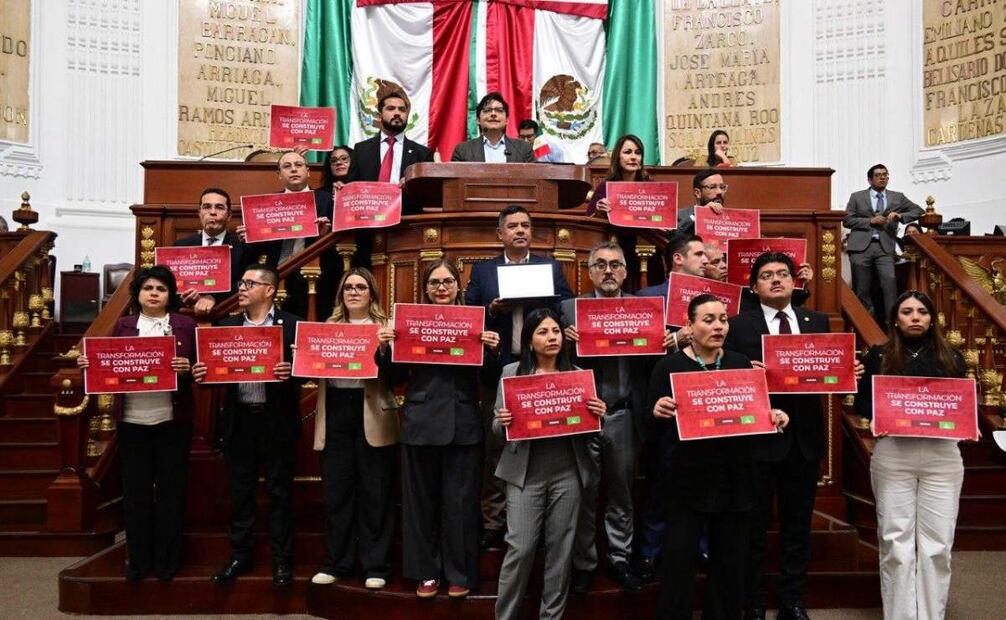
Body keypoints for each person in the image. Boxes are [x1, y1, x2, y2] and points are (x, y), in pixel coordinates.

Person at [649, 294, 789, 619]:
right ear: (689, 324)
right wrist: (656, 411)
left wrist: (775, 416)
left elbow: (756, 415)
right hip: (686, 477)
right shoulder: (668, 366)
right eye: (708, 319)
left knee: (730, 563)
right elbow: (649, 425)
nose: (718, 326)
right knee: (679, 561)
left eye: (723, 319)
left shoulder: (741, 363)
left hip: (734, 477)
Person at [725, 252, 850, 620]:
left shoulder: (817, 322)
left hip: (804, 440)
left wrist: (846, 369)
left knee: (798, 527)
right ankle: (755, 601)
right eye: (767, 275)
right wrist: (746, 372)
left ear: (796, 281)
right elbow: (727, 375)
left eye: (783, 274)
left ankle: (792, 601)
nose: (776, 280)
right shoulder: (738, 325)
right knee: (754, 528)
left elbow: (828, 374)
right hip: (757, 439)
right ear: (754, 287)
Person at [384, 259, 501, 599]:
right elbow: (395, 380)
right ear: (425, 289)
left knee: (460, 505)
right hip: (420, 425)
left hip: (463, 425)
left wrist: (491, 351)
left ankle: (459, 574)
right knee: (421, 505)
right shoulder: (411, 323)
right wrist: (385, 348)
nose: (441, 288)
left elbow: (489, 380)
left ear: (457, 286)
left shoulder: (474, 322)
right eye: (434, 282)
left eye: (447, 281)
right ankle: (426, 573)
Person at [560, 241, 672, 594]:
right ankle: (584, 563)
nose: (609, 271)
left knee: (621, 494)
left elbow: (653, 368)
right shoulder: (568, 310)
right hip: (582, 416)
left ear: (625, 271)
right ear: (590, 271)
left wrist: (664, 344)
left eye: (616, 265)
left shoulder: (646, 310)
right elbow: (549, 359)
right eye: (601, 264)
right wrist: (564, 341)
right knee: (584, 493)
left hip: (625, 414)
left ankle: (620, 559)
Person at [77, 266, 196, 582]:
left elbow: (203, 367)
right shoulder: (123, 325)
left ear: (170, 294)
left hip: (173, 420)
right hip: (131, 421)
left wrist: (189, 365)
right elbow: (107, 363)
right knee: (136, 494)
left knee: (172, 493)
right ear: (138, 294)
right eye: (148, 288)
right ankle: (139, 561)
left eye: (161, 288)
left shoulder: (184, 325)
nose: (154, 293)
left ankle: (168, 561)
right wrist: (91, 363)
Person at [464, 204, 574, 548]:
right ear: (501, 234)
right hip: (500, 368)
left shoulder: (549, 266)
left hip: (543, 367)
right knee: (497, 444)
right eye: (512, 226)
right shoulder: (484, 272)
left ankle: (538, 521)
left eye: (526, 225)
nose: (520, 231)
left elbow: (566, 307)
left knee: (542, 440)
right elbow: (468, 316)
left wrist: (548, 305)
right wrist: (490, 310)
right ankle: (493, 521)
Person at [854, 290, 968, 620]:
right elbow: (863, 406)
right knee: (895, 544)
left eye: (921, 311)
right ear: (895, 319)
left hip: (942, 457)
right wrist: (859, 382)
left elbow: (962, 406)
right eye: (907, 311)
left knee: (937, 547)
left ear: (932, 319)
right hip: (894, 455)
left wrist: (966, 423)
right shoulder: (877, 356)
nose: (915, 317)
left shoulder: (953, 358)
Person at [493, 307, 606, 620]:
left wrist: (599, 414)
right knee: (521, 548)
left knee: (560, 552)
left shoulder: (578, 376)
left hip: (568, 473)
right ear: (529, 341)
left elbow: (592, 430)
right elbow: (495, 431)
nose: (552, 337)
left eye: (555, 331)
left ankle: (551, 616)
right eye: (543, 332)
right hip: (525, 474)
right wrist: (502, 421)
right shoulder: (511, 373)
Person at [195, 265, 302, 587]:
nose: (241, 288)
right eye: (241, 283)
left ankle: (282, 562)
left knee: (280, 492)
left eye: (249, 283)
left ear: (269, 290)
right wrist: (203, 374)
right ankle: (241, 555)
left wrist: (293, 370)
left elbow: (311, 369)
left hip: (277, 420)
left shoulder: (293, 325)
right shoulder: (226, 325)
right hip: (239, 419)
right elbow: (215, 379)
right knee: (240, 492)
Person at [310, 267, 400, 590]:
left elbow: (397, 378)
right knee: (338, 493)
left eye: (361, 287)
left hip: (372, 413)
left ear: (372, 294)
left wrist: (387, 350)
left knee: (376, 494)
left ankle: (376, 565)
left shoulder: (385, 328)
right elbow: (309, 369)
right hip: (336, 411)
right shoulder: (324, 328)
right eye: (348, 287)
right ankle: (338, 562)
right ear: (341, 294)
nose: (354, 292)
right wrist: (301, 355)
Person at [240, 150, 337, 320]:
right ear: (279, 174)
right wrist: (249, 237)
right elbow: (260, 248)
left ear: (308, 171)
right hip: (277, 275)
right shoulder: (267, 204)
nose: (293, 169)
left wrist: (323, 236)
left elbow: (341, 241)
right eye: (287, 166)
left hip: (317, 277)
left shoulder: (327, 200)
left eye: (298, 165)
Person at [843, 164, 923, 323]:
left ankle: (892, 325)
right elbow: (847, 219)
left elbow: (918, 210)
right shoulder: (857, 196)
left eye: (885, 175)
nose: (883, 177)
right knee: (862, 289)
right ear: (870, 179)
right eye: (878, 175)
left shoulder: (897, 197)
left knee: (889, 285)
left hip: (885, 247)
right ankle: (866, 324)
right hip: (861, 248)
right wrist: (869, 221)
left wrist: (900, 216)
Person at [351, 91, 434, 214]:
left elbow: (430, 192)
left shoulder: (422, 153)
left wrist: (413, 185)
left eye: (402, 110)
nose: (397, 113)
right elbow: (351, 186)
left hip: (406, 222)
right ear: (379, 116)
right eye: (391, 109)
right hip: (368, 220)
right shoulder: (361, 150)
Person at [174, 188, 246, 315]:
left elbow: (245, 284)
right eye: (207, 207)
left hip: (228, 314)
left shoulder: (242, 247)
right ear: (199, 213)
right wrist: (186, 298)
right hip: (188, 313)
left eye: (219, 207)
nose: (212, 212)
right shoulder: (181, 246)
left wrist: (213, 297)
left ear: (229, 215)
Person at [451, 92, 534, 163]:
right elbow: (453, 181)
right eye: (487, 110)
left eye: (499, 110)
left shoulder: (523, 149)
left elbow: (535, 179)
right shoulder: (463, 150)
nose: (493, 114)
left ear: (507, 120)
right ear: (478, 120)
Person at [585, 134, 650, 217]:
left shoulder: (650, 186)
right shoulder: (604, 187)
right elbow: (589, 222)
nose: (633, 157)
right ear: (617, 157)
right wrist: (599, 212)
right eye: (627, 152)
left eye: (638, 153)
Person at [676, 168, 727, 234]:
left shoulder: (730, 219)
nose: (719, 192)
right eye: (712, 187)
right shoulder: (681, 215)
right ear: (697, 193)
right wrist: (700, 214)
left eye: (722, 187)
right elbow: (672, 237)